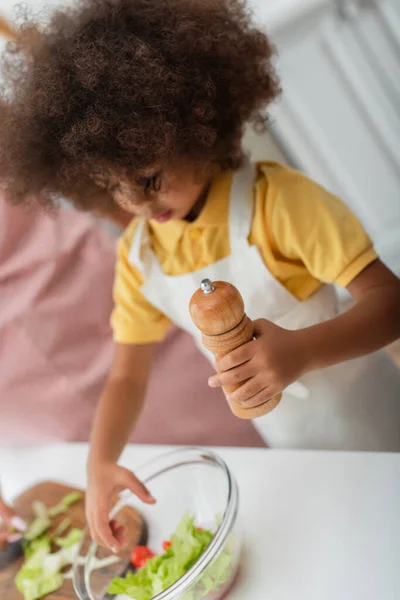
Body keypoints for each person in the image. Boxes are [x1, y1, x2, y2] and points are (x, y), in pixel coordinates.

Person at [0, 0, 399, 553]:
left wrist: (301, 353)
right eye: (113, 186)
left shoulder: (278, 204)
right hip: (306, 460)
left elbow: (389, 301)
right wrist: (100, 463)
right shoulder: (141, 257)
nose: (137, 204)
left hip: (385, 428)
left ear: (196, 128)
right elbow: (126, 379)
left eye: (150, 177)